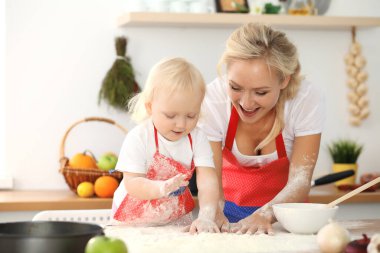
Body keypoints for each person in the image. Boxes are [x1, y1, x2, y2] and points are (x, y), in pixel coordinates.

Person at [198, 23, 325, 235]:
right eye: (235, 88)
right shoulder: (213, 98)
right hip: (226, 219)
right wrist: (211, 213)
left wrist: (265, 214)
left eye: (261, 92)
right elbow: (210, 176)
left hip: (286, 223)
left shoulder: (305, 99)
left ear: (284, 80)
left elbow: (300, 181)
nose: (246, 103)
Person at [112, 57, 220, 234]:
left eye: (191, 115)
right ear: (149, 107)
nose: (181, 125)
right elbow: (132, 183)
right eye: (171, 116)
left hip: (174, 215)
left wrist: (206, 216)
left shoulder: (197, 137)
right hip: (133, 220)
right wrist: (161, 188)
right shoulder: (138, 137)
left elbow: (207, 179)